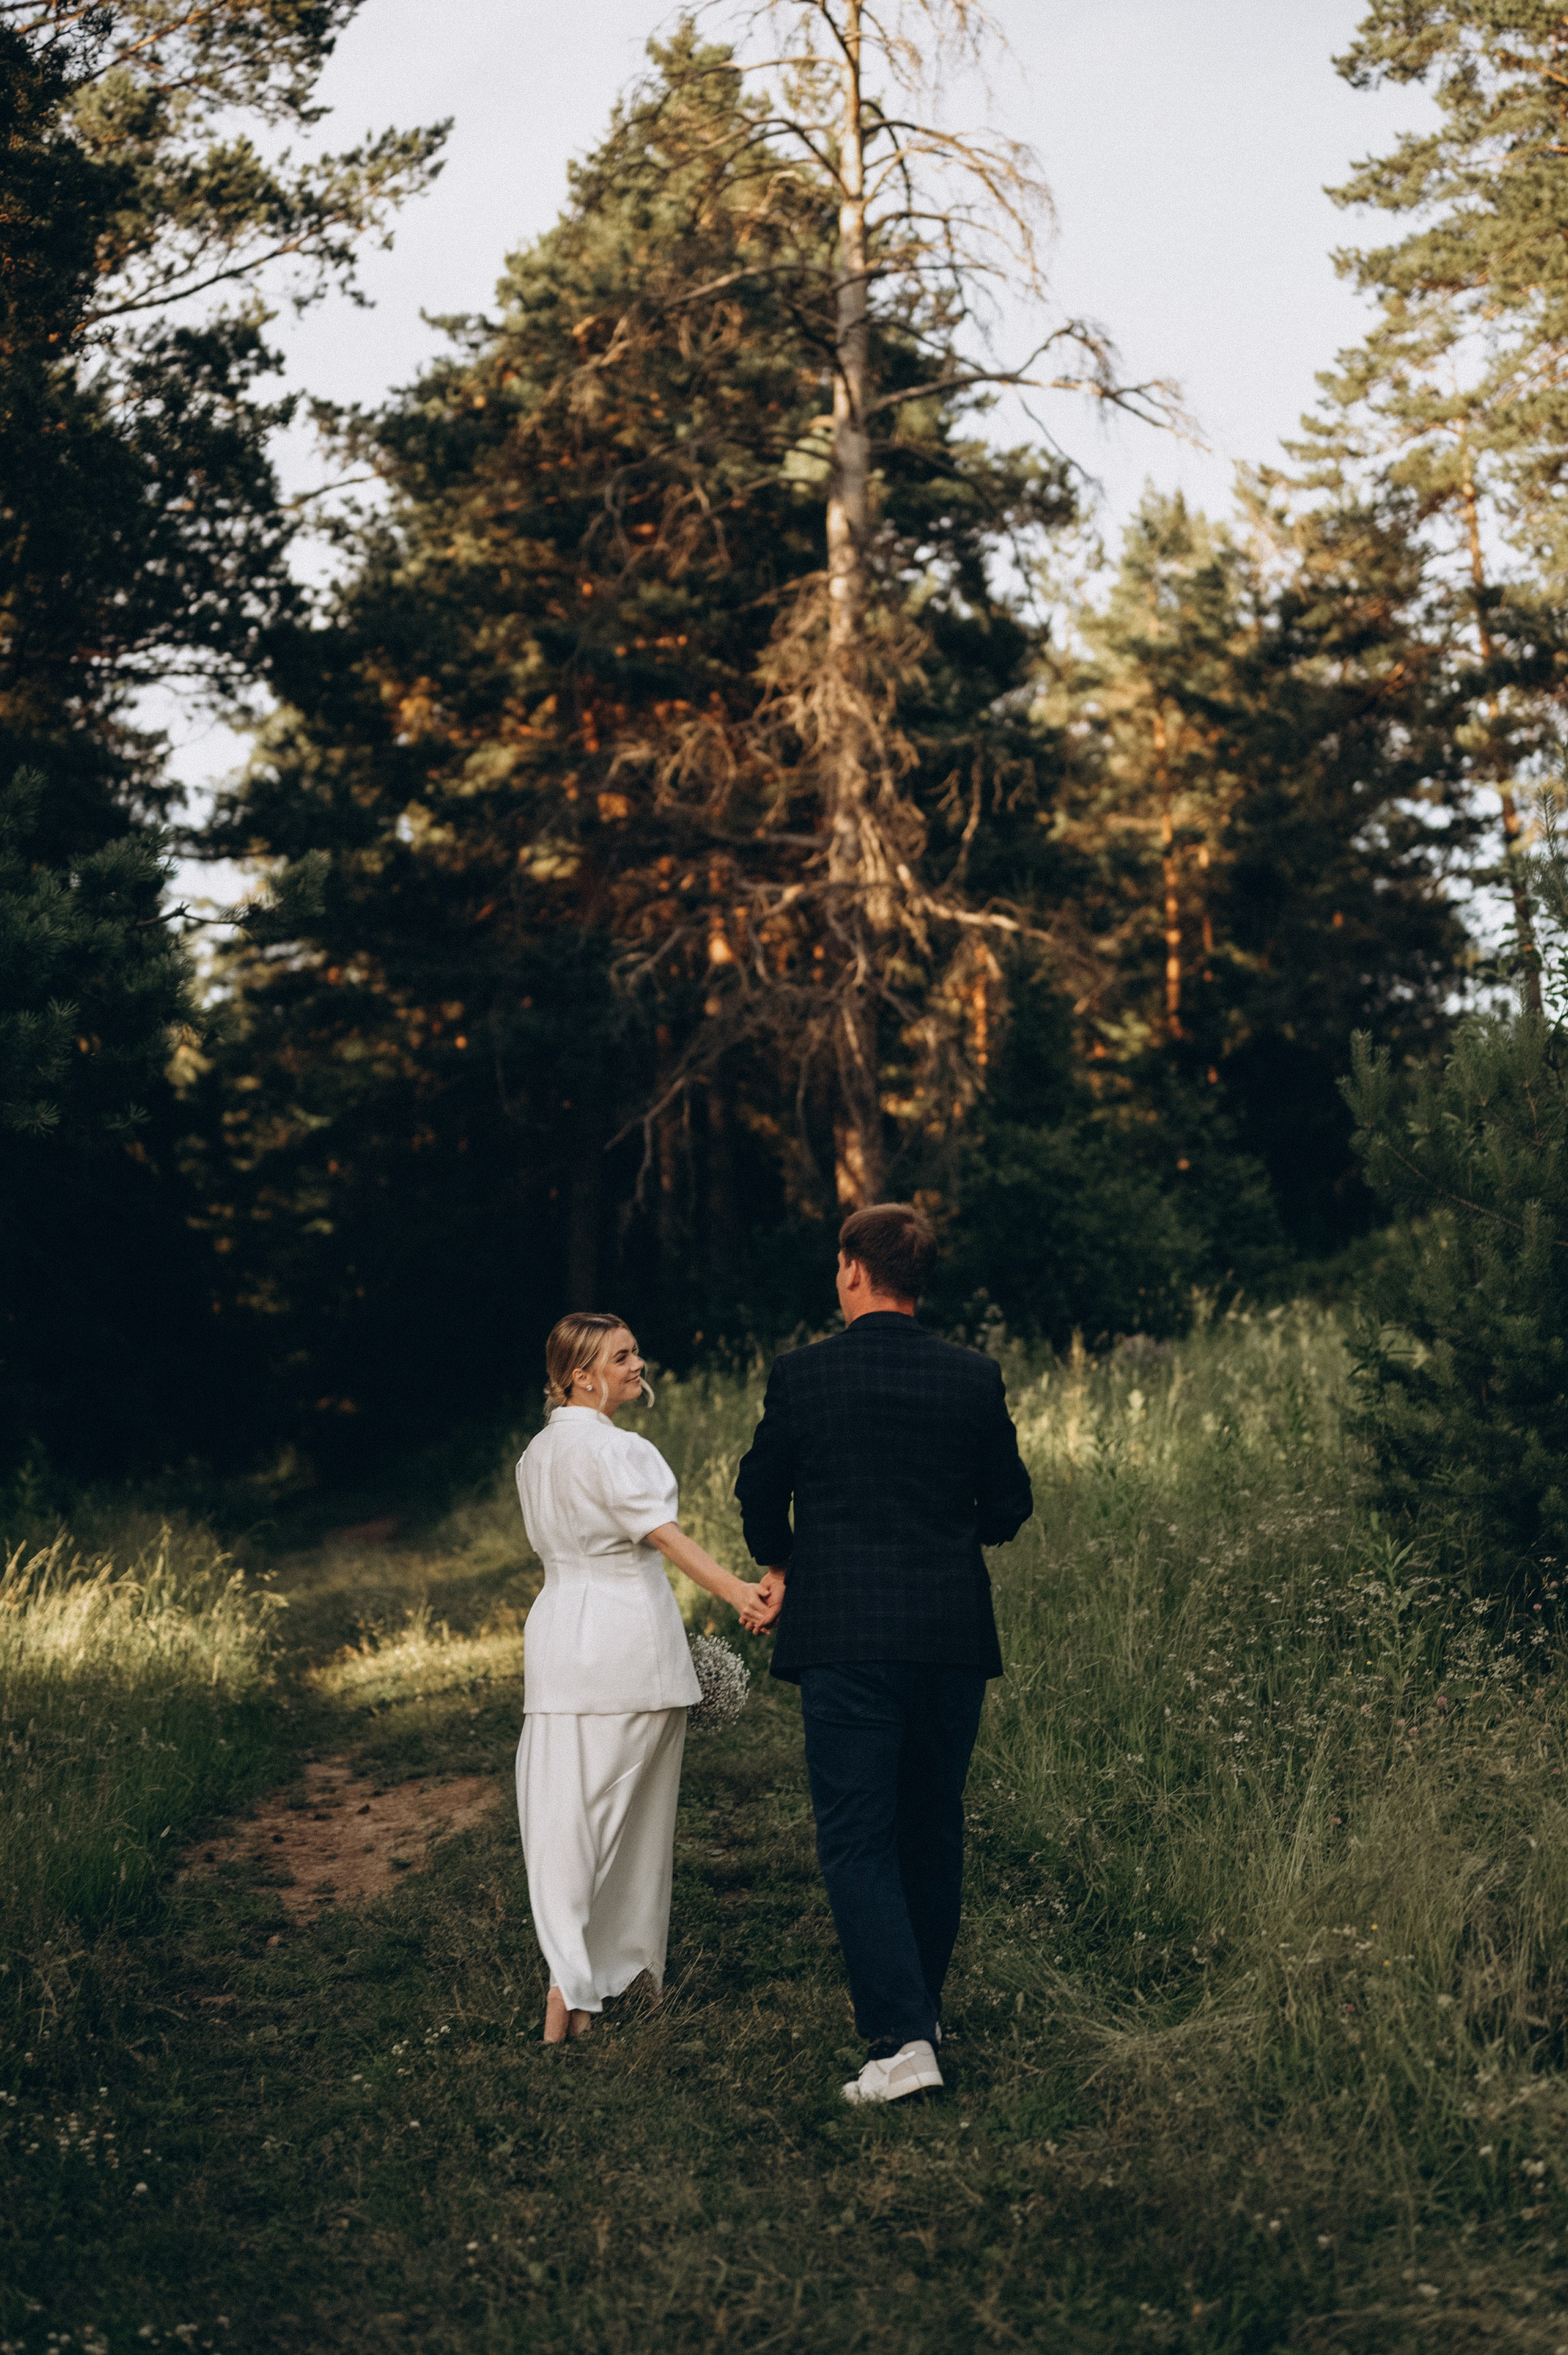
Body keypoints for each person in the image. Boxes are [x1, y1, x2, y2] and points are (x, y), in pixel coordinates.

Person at [734, 1202, 1034, 2104]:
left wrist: (783, 1561)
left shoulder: (804, 1374)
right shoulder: (973, 1374)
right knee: (930, 1826)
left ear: (854, 1271)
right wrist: (944, 1535)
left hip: (846, 1635)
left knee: (858, 1836)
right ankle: (920, 2015)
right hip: (949, 1633)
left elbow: (759, 1492)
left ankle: (903, 2043)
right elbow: (1009, 1505)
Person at [515, 1311, 773, 2044]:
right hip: (626, 1644)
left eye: (634, 1354)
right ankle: (587, 1975)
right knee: (631, 1823)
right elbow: (663, 1537)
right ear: (581, 1376)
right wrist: (738, 1592)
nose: (637, 1366)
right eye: (621, 1357)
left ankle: (596, 1974)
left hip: (559, 1638)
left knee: (564, 1813)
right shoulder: (617, 1449)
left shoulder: (536, 1454)